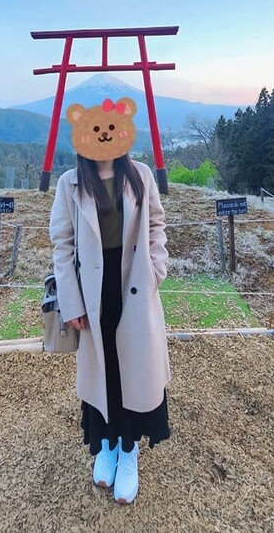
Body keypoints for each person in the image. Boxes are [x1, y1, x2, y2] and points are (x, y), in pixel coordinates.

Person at [49, 97, 171, 504]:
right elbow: (62, 244)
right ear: (83, 135)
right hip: (91, 288)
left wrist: (156, 267)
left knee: (133, 367)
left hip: (134, 281)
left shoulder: (140, 175)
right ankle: (104, 445)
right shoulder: (70, 182)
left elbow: (156, 223)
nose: (103, 137)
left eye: (110, 130)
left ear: (123, 132)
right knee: (103, 369)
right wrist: (72, 301)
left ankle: (129, 451)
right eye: (96, 131)